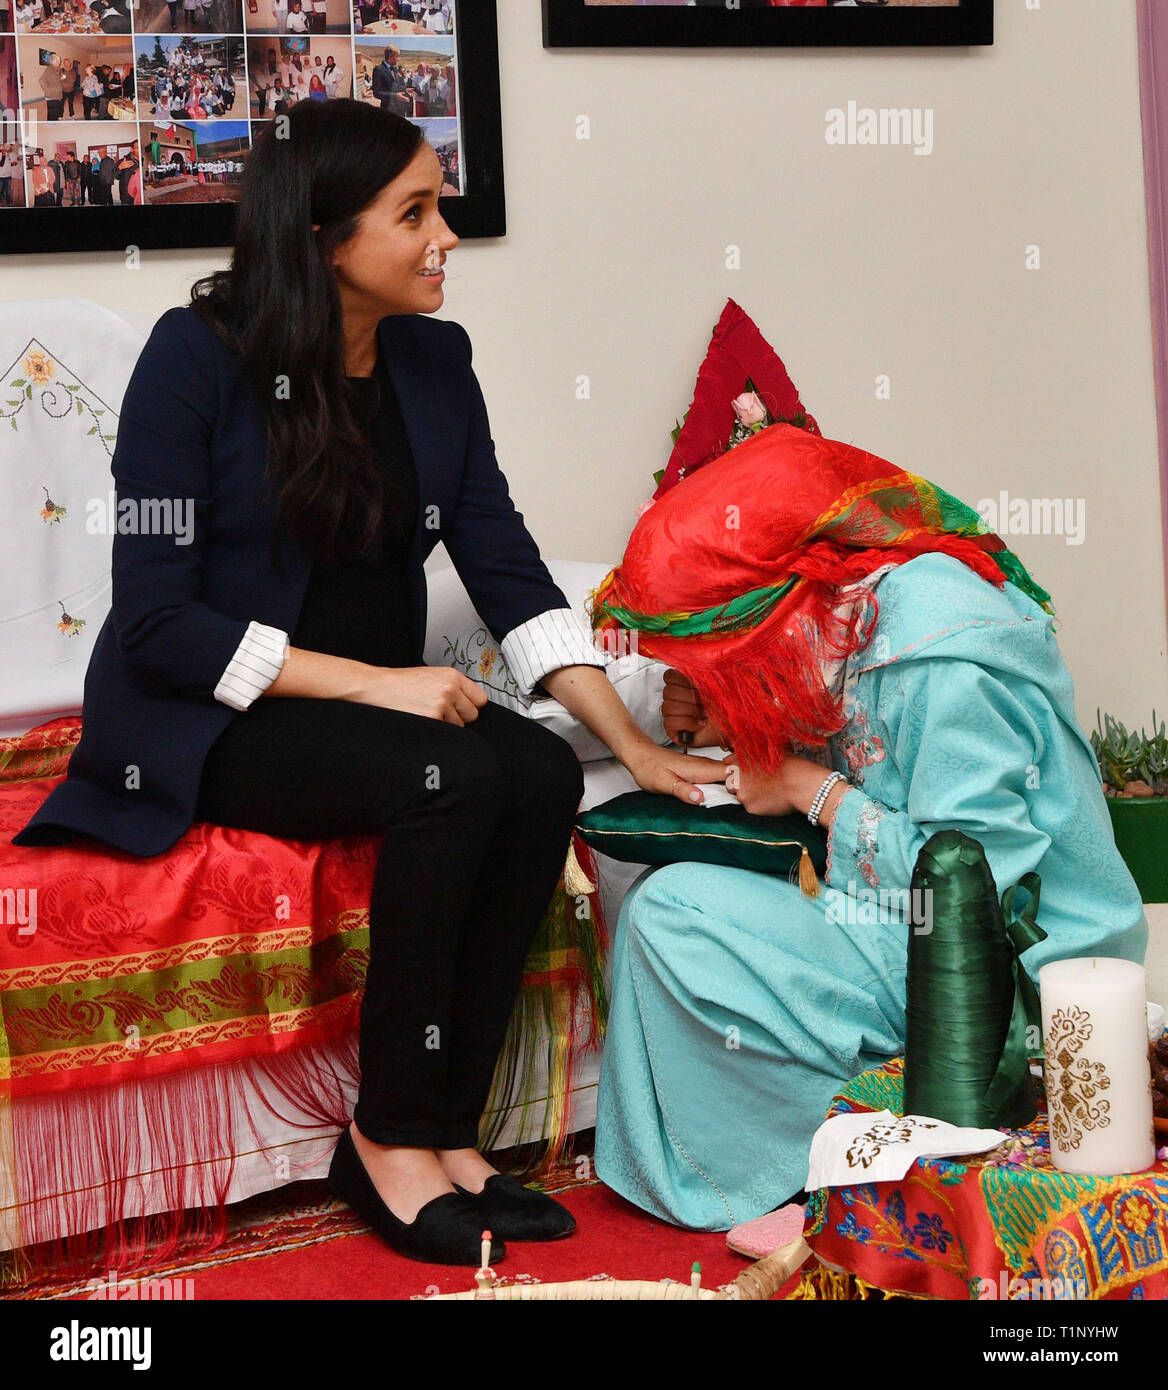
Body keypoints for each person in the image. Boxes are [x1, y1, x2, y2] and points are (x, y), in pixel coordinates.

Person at [13, 98, 724, 1267]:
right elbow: (153, 622)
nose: (445, 233)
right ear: (325, 239)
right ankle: (386, 1134)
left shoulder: (434, 361)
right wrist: (372, 685)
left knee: (541, 770)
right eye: (415, 211)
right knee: (448, 775)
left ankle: (451, 1127)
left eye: (439, 202)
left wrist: (633, 744)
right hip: (212, 715)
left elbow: (505, 564)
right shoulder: (191, 361)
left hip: (370, 705)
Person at [589, 426, 1149, 1232]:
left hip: (1016, 978)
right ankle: (816, 1152)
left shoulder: (939, 663)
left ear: (770, 614)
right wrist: (724, 717)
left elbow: (979, 890)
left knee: (676, 916)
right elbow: (849, 736)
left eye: (714, 652)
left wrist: (810, 791)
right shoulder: (851, 609)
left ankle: (837, 1166)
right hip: (911, 927)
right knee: (664, 905)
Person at [39, 51, 64, 120]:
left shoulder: (54, 69)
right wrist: (48, 92)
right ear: (55, 61)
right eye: (59, 61)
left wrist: (60, 79)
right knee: (52, 115)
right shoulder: (50, 69)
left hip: (56, 96)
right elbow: (41, 80)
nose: (60, 63)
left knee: (54, 113)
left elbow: (53, 80)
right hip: (52, 96)